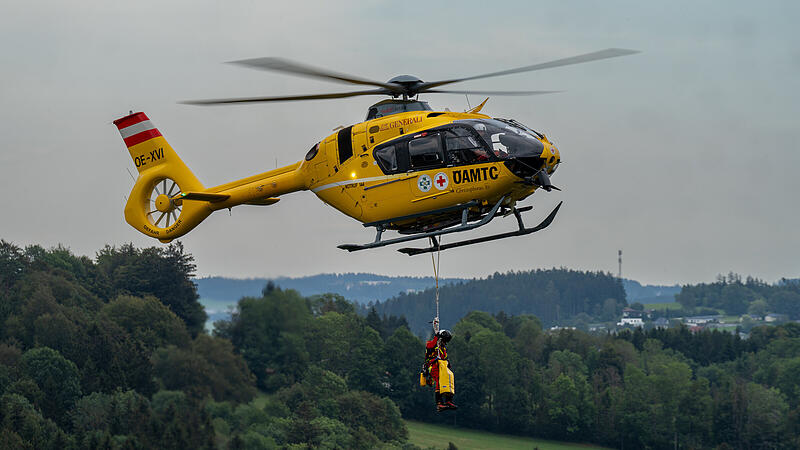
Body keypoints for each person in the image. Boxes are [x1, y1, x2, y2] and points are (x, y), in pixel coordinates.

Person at [422, 329, 457, 411]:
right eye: (444, 341)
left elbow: (445, 357)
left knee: (450, 378)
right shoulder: (432, 345)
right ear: (440, 339)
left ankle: (448, 400)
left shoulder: (443, 348)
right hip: (432, 366)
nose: (445, 343)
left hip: (441, 367)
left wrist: (448, 362)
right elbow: (429, 346)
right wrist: (436, 337)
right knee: (439, 382)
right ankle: (439, 403)